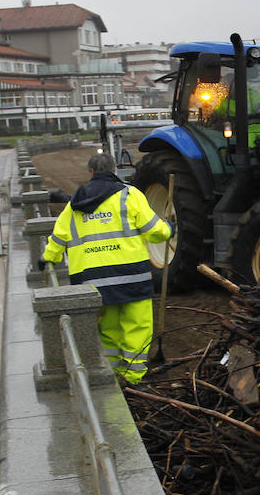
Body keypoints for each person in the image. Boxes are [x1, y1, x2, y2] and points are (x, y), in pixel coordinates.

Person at [42, 153, 174, 384]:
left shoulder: (75, 203)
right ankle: (133, 377)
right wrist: (169, 228)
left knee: (108, 327)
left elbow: (58, 237)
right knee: (137, 326)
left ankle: (111, 374)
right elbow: (155, 231)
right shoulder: (129, 195)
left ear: (91, 172)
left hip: (93, 281)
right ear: (114, 170)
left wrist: (46, 259)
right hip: (131, 277)